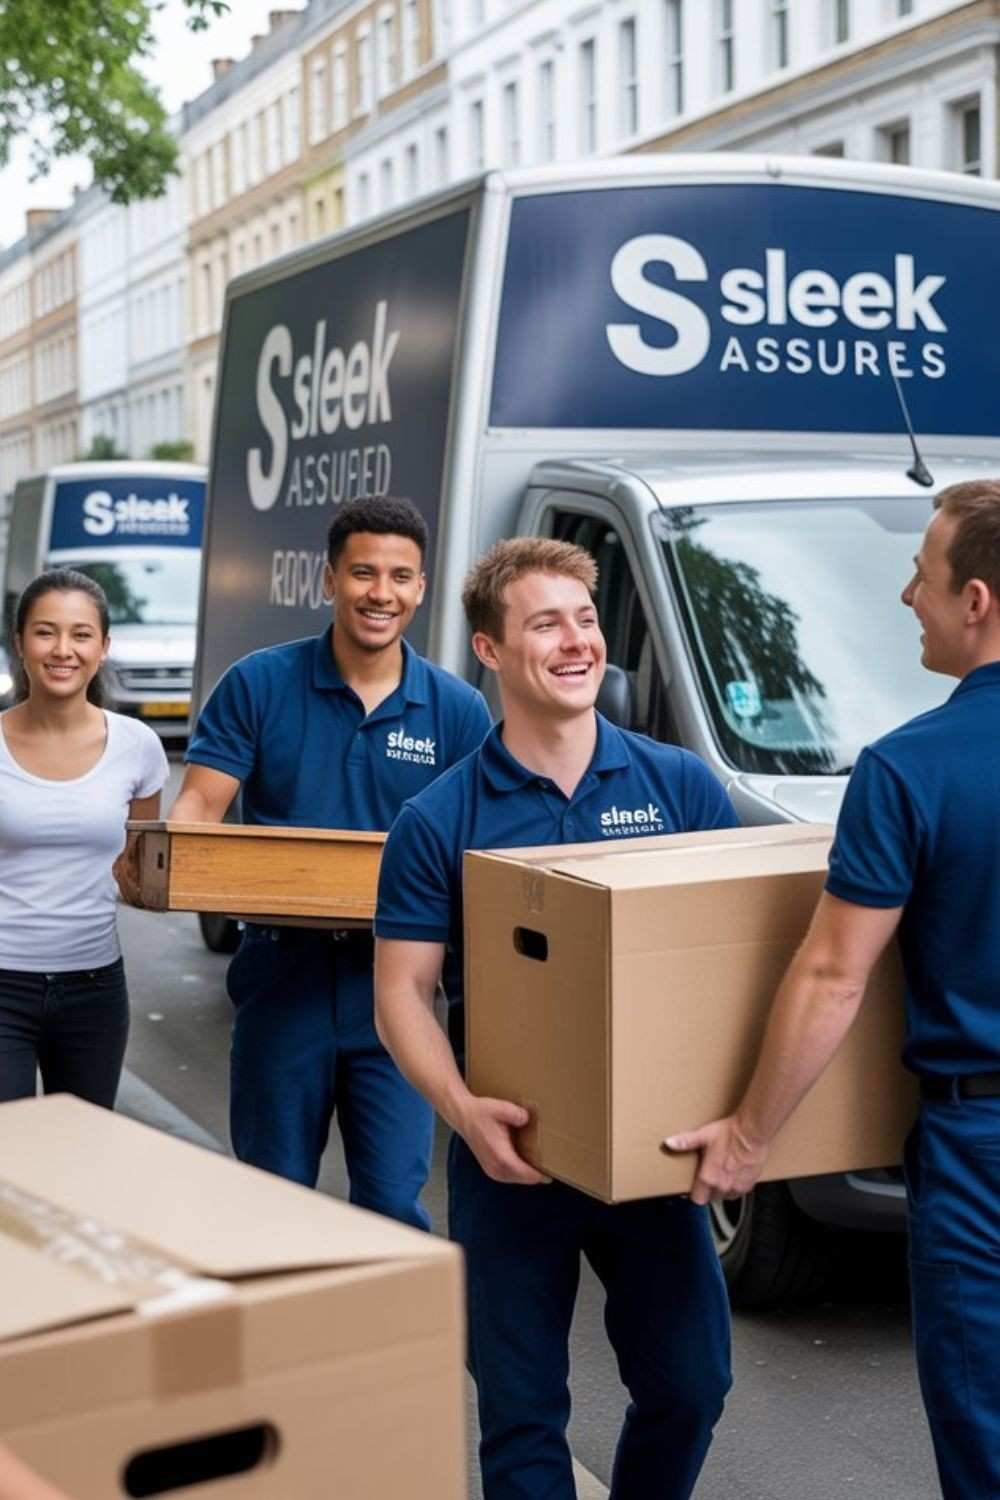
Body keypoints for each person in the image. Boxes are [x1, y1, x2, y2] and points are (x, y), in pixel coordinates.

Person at [374, 537, 738, 1500]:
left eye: (585, 619)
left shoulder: (680, 789)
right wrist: (463, 1111)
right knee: (522, 1414)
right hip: (512, 1159)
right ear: (490, 652)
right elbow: (403, 993)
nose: (577, 642)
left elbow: (732, 965)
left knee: (694, 1384)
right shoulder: (439, 818)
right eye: (546, 623)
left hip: (652, 1160)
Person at [666, 479, 1000, 1500]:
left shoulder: (908, 769)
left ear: (976, 601)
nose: (907, 596)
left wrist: (748, 1139)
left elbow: (831, 975)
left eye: (920, 573)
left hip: (980, 1152)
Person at [125, 496, 490, 1228]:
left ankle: (381, 1345)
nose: (379, 593)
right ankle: (279, 1345)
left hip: (399, 989)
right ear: (328, 579)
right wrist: (167, 866)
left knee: (391, 1204)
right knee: (271, 1200)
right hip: (281, 977)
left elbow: (478, 851)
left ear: (420, 589)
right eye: (361, 572)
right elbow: (200, 806)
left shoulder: (457, 712)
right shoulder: (259, 684)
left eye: (399, 576)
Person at [0, 568, 168, 1107]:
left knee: (84, 1158)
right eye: (45, 632)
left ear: (103, 647)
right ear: (19, 643)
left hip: (95, 988)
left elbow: (139, 870)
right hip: (3, 983)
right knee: (12, 1161)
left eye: (80, 634)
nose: (62, 650)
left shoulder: (138, 747)